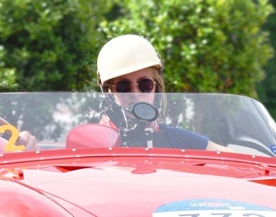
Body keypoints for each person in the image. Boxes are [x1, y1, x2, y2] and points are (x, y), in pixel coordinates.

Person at [95, 34, 226, 151]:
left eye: (145, 85)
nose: (135, 94)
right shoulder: (94, 141)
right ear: (109, 92)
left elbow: (236, 161)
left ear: (156, 88)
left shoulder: (175, 139)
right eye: (123, 86)